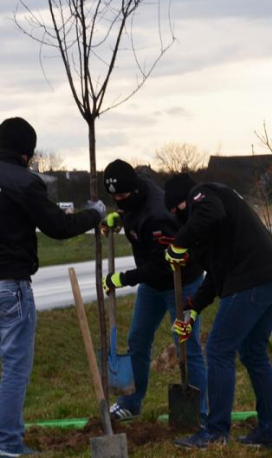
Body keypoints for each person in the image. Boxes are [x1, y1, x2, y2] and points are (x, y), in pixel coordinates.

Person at [162, 173, 272, 450]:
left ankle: (215, 431)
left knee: (219, 350)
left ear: (184, 201)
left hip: (252, 281)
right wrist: (194, 307)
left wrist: (179, 243)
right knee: (253, 353)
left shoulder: (204, 193)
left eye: (176, 209)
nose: (177, 215)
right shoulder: (215, 228)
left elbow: (210, 214)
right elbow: (217, 273)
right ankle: (271, 431)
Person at [0, 117, 105, 457]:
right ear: (26, 153)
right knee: (15, 366)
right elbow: (58, 227)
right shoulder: (24, 183)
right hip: (10, 283)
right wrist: (95, 214)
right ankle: (7, 444)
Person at [100, 160, 207, 421]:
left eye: (122, 198)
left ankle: (202, 413)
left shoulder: (158, 216)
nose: (119, 200)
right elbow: (130, 202)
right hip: (152, 285)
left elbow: (162, 266)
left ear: (135, 192)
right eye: (114, 198)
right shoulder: (137, 186)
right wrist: (120, 217)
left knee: (186, 346)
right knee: (138, 340)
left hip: (181, 280)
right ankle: (132, 402)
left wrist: (123, 278)